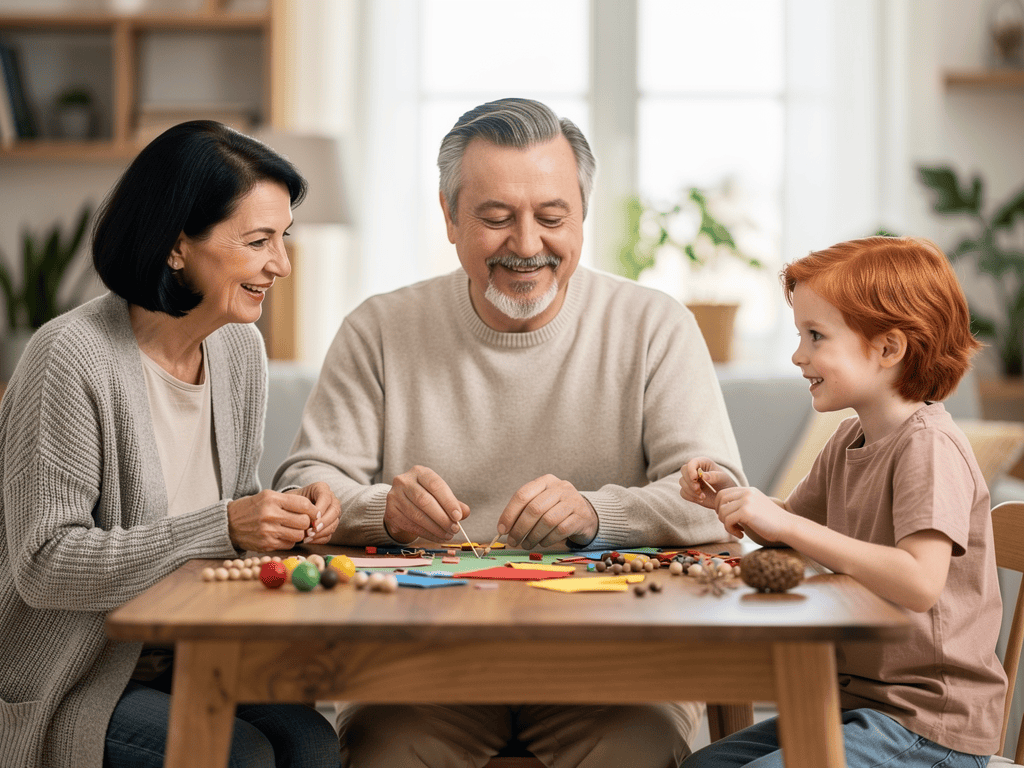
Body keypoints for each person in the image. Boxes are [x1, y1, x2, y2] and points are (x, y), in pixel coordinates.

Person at [275, 98, 744, 767]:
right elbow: (303, 487)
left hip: (615, 665)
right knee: (386, 754)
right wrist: (386, 511)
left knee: (632, 752)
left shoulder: (654, 324)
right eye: (496, 218)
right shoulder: (378, 328)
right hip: (421, 664)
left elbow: (717, 498)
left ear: (583, 215)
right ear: (448, 217)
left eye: (552, 217)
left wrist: (597, 513)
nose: (526, 245)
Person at [0, 121, 343, 768]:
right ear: (177, 245)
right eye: (258, 241)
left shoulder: (239, 350)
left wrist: (286, 518)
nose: (282, 264)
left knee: (312, 742)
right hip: (78, 676)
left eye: (283, 238)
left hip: (193, 656)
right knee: (238, 753)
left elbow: (230, 513)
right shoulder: (70, 357)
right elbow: (45, 564)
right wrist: (228, 525)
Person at [679, 236, 1007, 768]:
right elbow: (790, 526)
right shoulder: (850, 438)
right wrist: (737, 497)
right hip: (858, 707)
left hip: (929, 726)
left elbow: (919, 582)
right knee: (702, 765)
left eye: (815, 336)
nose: (797, 355)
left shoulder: (929, 446)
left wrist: (782, 522)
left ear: (888, 349)